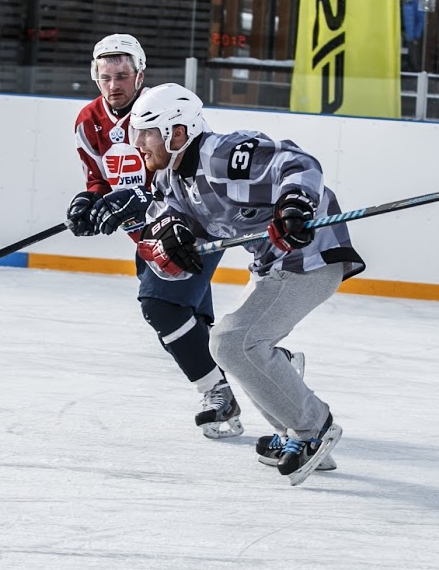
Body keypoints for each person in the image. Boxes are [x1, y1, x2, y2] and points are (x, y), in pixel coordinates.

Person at [130, 83, 365, 485]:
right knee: (232, 342)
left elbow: (298, 162)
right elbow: (171, 216)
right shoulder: (172, 178)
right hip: (273, 264)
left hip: (312, 256)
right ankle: (293, 429)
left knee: (232, 342)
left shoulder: (222, 155)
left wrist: (295, 204)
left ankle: (313, 428)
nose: (139, 143)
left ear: (178, 133)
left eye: (147, 132)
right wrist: (173, 233)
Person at [64, 34, 244, 439]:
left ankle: (217, 394)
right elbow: (99, 179)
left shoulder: (166, 110)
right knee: (188, 328)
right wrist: (89, 204)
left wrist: (137, 198)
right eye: (106, 76)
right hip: (147, 235)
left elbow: (187, 176)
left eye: (123, 75)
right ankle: (269, 363)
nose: (114, 85)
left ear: (140, 75)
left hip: (190, 226)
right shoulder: (87, 122)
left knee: (162, 310)